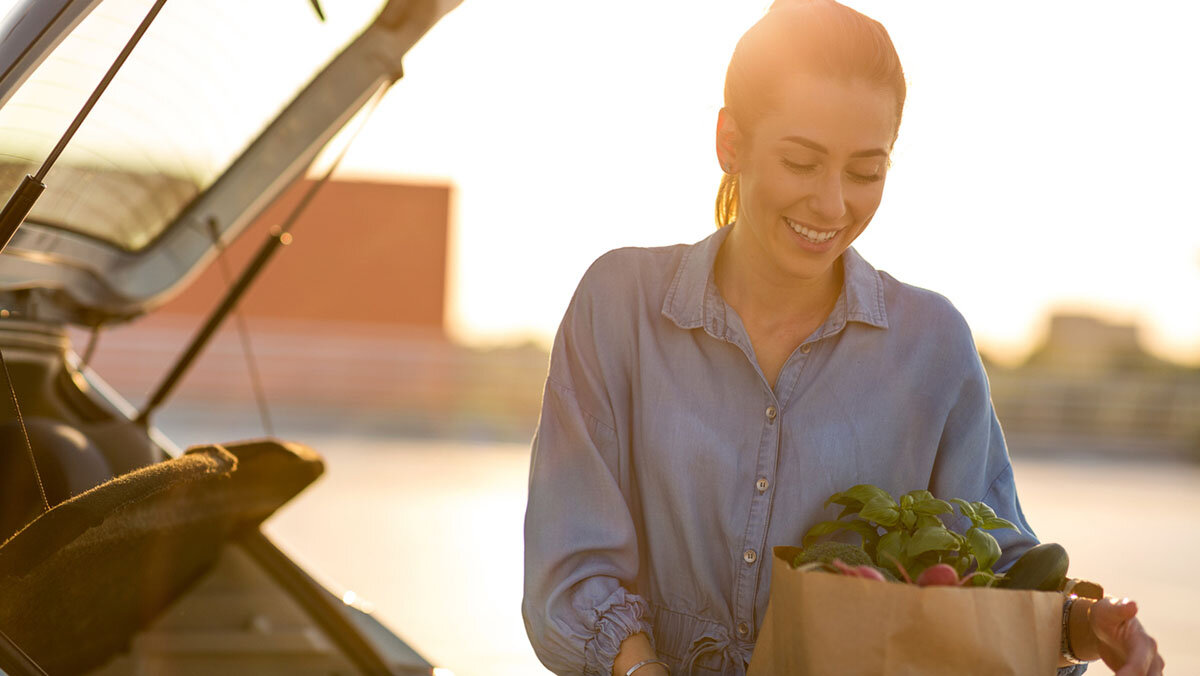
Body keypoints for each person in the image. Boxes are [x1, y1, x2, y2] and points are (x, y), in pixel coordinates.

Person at [522, 2, 1165, 675]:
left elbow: (995, 578)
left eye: (865, 172)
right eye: (802, 162)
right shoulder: (618, 305)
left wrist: (1087, 627)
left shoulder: (933, 347)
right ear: (730, 142)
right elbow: (572, 565)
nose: (832, 206)